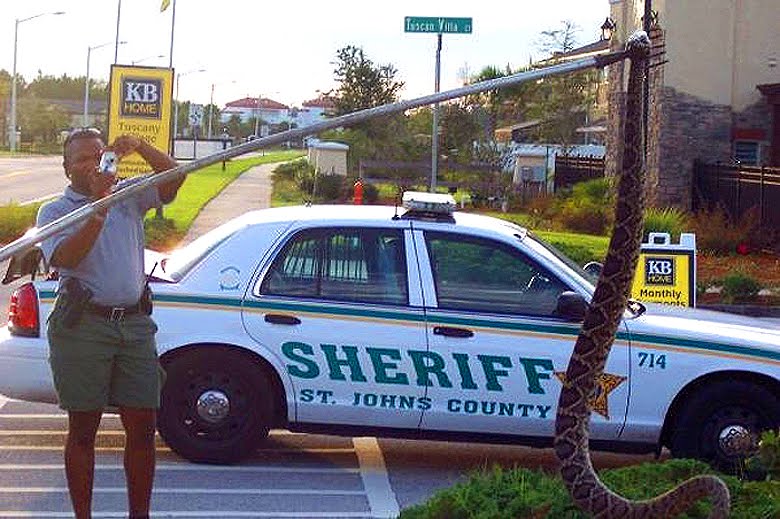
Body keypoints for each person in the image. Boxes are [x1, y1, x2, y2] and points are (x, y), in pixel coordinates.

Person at [36, 128, 184, 519]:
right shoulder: (54, 212)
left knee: (142, 424)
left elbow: (174, 179)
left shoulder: (129, 195)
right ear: (67, 169)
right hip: (84, 325)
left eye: (99, 154)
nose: (91, 163)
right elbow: (67, 259)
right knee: (84, 427)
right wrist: (99, 205)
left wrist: (141, 146)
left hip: (134, 324)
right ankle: (83, 515)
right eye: (82, 158)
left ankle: (140, 515)